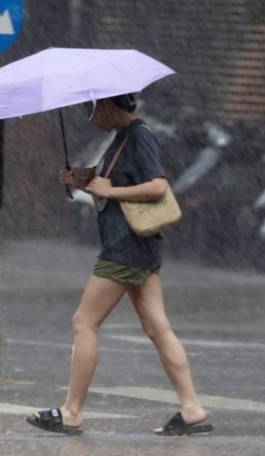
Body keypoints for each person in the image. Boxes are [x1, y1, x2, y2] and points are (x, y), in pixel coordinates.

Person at [25, 93, 212, 437]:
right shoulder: (122, 138)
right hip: (137, 248)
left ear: (108, 105)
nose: (87, 115)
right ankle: (191, 408)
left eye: (90, 108)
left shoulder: (140, 136)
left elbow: (157, 186)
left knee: (84, 321)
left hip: (125, 248)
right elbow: (108, 179)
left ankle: (72, 411)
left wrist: (111, 193)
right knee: (157, 327)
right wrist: (79, 179)